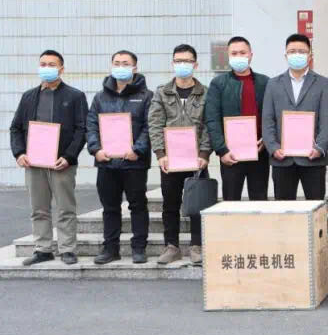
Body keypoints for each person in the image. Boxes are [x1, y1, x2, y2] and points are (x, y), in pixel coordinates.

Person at [9, 50, 87, 266]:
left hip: (61, 163)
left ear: (62, 69)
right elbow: (15, 128)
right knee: (39, 209)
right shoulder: (29, 96)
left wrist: (69, 156)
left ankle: (67, 249)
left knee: (65, 208)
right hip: (34, 163)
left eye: (52, 64)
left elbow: (82, 129)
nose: (46, 68)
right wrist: (19, 153)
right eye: (43, 64)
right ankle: (43, 249)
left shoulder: (75, 96)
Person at [86, 50, 152, 265]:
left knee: (137, 206)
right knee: (110, 208)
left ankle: (139, 248)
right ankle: (110, 249)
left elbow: (150, 127)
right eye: (117, 63)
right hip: (106, 162)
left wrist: (138, 150)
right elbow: (91, 125)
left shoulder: (146, 96)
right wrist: (96, 149)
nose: (120, 67)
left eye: (125, 63)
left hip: (134, 162)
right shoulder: (100, 97)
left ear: (135, 68)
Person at [148, 44, 211, 266]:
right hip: (171, 159)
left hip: (197, 160)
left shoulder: (205, 93)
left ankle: (196, 246)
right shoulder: (162, 92)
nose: (182, 65)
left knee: (198, 204)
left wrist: (204, 153)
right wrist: (160, 154)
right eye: (178, 61)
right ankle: (172, 246)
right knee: (170, 204)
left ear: (196, 64)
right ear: (173, 63)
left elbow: (209, 124)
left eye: (187, 61)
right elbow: (155, 124)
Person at [262, 33, 328, 202]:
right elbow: (267, 120)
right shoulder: (273, 84)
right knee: (284, 209)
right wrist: (273, 147)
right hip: (282, 159)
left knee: (316, 207)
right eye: (292, 51)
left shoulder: (323, 83)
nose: (297, 55)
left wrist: (319, 148)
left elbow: (326, 120)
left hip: (313, 159)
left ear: (310, 55)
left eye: (301, 51)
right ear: (285, 55)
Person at [205, 36, 271, 202]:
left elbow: (272, 116)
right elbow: (212, 119)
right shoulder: (218, 84)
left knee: (260, 201)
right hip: (230, 154)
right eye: (234, 53)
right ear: (228, 56)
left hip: (259, 151)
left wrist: (267, 139)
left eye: (243, 52)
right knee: (231, 201)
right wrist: (222, 150)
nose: (239, 56)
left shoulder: (265, 82)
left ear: (251, 55)